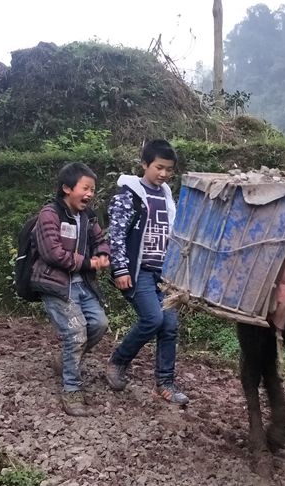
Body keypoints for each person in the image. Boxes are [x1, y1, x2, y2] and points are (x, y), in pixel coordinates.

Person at [105, 139, 188, 405]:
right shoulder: (128, 196)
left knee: (170, 326)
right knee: (153, 319)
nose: (164, 174)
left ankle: (165, 383)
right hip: (138, 270)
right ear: (144, 164)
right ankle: (118, 361)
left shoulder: (167, 197)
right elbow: (116, 235)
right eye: (159, 167)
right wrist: (120, 268)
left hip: (163, 274)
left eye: (169, 169)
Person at [32, 162, 111, 416]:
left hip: (83, 285)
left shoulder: (87, 217)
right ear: (67, 188)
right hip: (56, 285)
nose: (90, 194)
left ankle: (65, 360)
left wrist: (103, 254)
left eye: (92, 189)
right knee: (76, 333)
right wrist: (89, 263)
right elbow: (52, 253)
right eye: (85, 188)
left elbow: (100, 240)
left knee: (99, 324)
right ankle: (72, 390)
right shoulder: (49, 215)